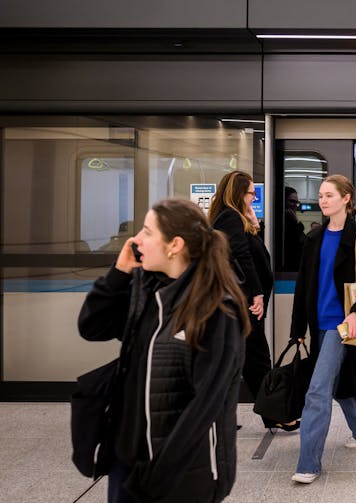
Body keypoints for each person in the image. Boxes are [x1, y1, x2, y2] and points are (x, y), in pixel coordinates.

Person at [78, 199, 250, 502]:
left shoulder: (216, 310)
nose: (136, 240)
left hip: (176, 473)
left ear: (175, 245)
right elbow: (92, 327)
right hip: (127, 459)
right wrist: (119, 273)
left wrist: (157, 476)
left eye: (146, 231)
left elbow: (205, 407)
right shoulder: (147, 291)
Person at [290, 175, 356, 484]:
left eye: (329, 195)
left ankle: (308, 464)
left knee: (317, 391)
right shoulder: (314, 238)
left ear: (346, 199)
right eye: (320, 195)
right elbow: (303, 285)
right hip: (317, 324)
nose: (323, 200)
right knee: (340, 382)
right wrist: (298, 328)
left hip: (341, 326)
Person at [208, 171, 285, 430]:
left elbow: (252, 252)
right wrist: (257, 293)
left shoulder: (232, 218)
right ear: (239, 193)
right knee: (257, 358)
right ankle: (274, 414)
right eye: (252, 193)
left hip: (240, 299)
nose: (254, 197)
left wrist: (254, 226)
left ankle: (217, 415)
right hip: (244, 301)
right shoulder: (230, 217)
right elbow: (241, 256)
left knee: (232, 360)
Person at [283, 186, 306, 271]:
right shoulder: (280, 226)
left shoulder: (295, 224)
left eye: (296, 202)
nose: (295, 206)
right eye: (291, 201)